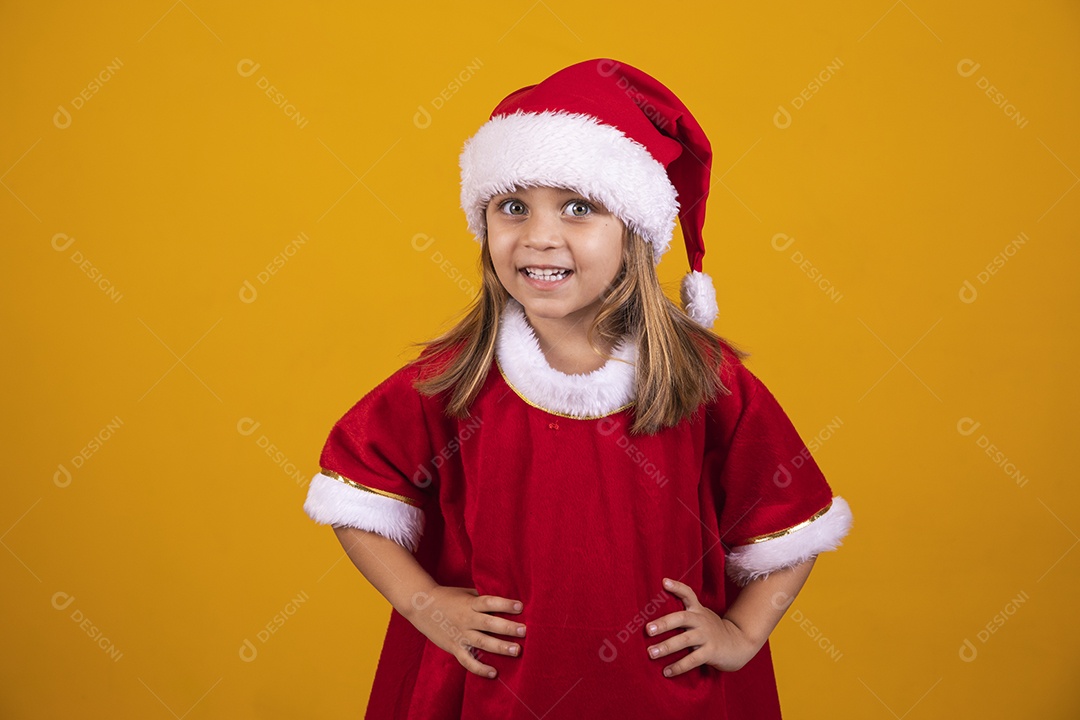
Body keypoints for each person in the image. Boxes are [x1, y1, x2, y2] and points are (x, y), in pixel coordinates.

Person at [303, 58, 853, 719]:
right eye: (512, 207)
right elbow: (353, 492)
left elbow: (791, 522)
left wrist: (741, 633)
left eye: (578, 207)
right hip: (486, 694)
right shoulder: (451, 380)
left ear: (635, 233)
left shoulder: (705, 383)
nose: (539, 236)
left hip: (667, 701)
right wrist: (425, 605)